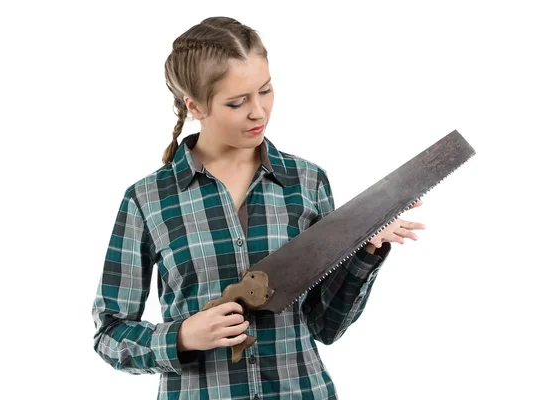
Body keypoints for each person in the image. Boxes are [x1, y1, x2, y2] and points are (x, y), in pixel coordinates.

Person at [91, 16, 426, 399]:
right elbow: (110, 333)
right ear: (195, 106)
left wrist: (364, 250)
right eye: (237, 102)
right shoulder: (147, 199)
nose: (259, 112)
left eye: (265, 91)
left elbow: (326, 325)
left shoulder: (306, 181)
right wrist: (183, 336)